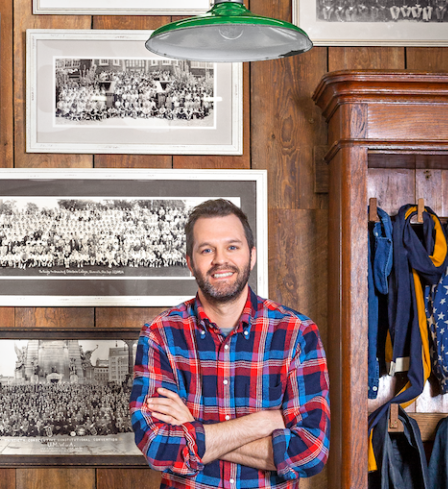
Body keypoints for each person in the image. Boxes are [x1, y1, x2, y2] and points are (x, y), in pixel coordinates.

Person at [129, 199, 330, 488]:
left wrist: (193, 429)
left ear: (252, 255)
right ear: (190, 262)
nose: (220, 260)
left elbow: (311, 452)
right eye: (206, 249)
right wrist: (260, 424)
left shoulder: (297, 333)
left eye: (232, 247)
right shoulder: (160, 334)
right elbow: (158, 447)